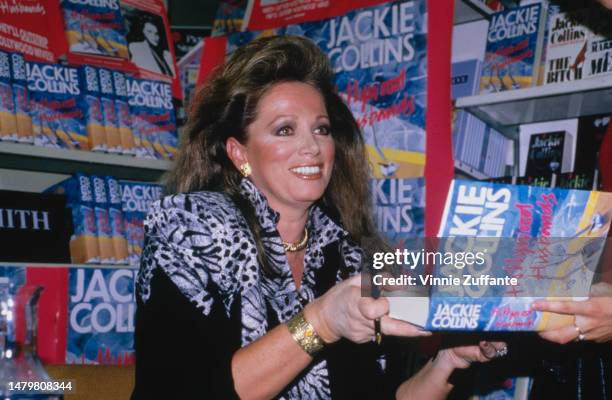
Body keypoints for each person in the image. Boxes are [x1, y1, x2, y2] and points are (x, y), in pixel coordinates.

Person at [130, 35, 506, 399]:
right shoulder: (189, 231)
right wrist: (321, 322)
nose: (311, 147)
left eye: (321, 129)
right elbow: (182, 390)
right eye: (285, 130)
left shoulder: (352, 258)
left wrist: (447, 362)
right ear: (239, 153)